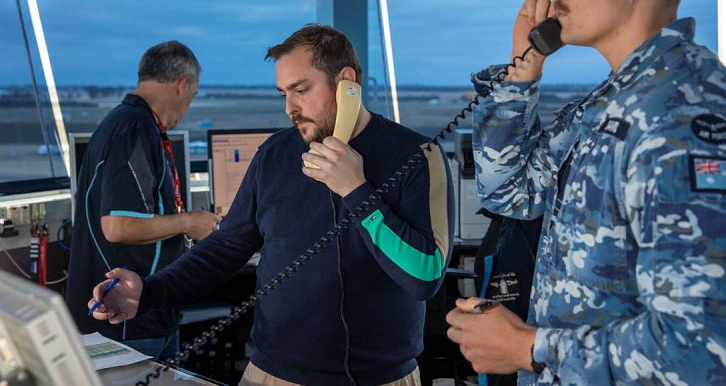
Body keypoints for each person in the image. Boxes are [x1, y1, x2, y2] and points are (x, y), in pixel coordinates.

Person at [445, 0, 726, 385]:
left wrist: (527, 347)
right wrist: (523, 68)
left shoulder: (686, 119)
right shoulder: (608, 105)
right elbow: (511, 192)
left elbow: (708, 353)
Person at [88, 25, 455, 386]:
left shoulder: (416, 156)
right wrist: (148, 291)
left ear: (347, 83)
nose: (290, 109)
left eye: (301, 90)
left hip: (381, 378)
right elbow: (226, 247)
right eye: (283, 94)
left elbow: (424, 277)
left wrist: (356, 189)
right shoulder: (274, 155)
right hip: (272, 374)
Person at [65, 40, 221, 358]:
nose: (188, 105)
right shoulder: (133, 130)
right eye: (191, 96)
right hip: (125, 323)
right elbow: (119, 226)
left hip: (140, 314)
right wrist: (190, 222)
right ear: (183, 85)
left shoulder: (133, 125)